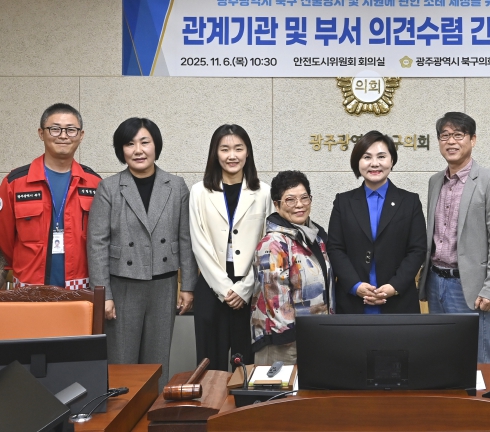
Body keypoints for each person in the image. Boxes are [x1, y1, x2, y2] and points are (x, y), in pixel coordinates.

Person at [87, 117, 197, 390]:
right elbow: (97, 243)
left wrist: (188, 286)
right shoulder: (109, 188)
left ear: (155, 146)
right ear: (121, 150)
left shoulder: (176, 186)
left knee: (158, 363)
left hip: (164, 284)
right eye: (130, 144)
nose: (138, 150)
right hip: (122, 285)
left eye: (144, 142)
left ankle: (153, 413)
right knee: (122, 362)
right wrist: (104, 295)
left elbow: (185, 238)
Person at [418, 112, 490, 364]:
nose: (451, 141)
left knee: (478, 359)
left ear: (473, 140)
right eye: (445, 136)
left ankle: (482, 393)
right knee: (442, 355)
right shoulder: (435, 181)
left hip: (470, 286)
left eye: (458, 135)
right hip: (436, 282)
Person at [190, 124, 273, 370]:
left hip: (250, 287)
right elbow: (199, 243)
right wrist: (225, 289)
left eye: (238, 148)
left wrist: (244, 288)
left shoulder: (264, 192)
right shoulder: (199, 191)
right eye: (224, 149)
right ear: (215, 153)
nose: (232, 155)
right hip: (211, 285)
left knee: (246, 363)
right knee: (210, 363)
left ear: (248, 152)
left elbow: (267, 245)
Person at [0, 103, 101, 290]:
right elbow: (5, 240)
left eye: (71, 130)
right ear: (41, 133)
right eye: (55, 129)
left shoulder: (94, 184)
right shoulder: (14, 183)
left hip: (81, 290)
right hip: (29, 289)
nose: (63, 135)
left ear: (81, 135)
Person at [327, 131, 426, 314]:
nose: (374, 163)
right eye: (367, 157)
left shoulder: (410, 201)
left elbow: (417, 250)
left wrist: (394, 286)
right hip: (353, 302)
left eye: (381, 156)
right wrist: (355, 285)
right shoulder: (343, 202)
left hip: (398, 302)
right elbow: (335, 248)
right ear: (358, 162)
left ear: (392, 161)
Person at [251, 170, 335, 365]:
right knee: (282, 386)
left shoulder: (316, 237)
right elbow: (275, 299)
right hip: (284, 343)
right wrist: (291, 338)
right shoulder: (273, 243)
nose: (299, 205)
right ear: (277, 204)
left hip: (313, 337)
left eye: (304, 198)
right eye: (290, 200)